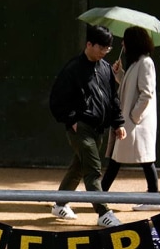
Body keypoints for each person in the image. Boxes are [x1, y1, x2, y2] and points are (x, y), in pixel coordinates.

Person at [49, 24, 127, 228]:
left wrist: (118, 122)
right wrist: (72, 120)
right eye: (101, 48)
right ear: (89, 44)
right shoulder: (73, 68)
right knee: (92, 170)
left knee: (78, 167)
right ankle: (103, 213)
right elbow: (57, 100)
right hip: (80, 127)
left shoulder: (106, 69)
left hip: (99, 128)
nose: (104, 52)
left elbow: (112, 98)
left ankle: (59, 203)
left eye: (108, 49)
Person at [101, 26, 160, 211]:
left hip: (137, 123)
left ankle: (100, 195)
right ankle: (100, 194)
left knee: (141, 159)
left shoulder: (145, 63)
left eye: (125, 40)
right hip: (132, 121)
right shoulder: (137, 63)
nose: (122, 44)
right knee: (128, 158)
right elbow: (133, 86)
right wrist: (119, 74)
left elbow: (146, 93)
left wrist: (134, 116)